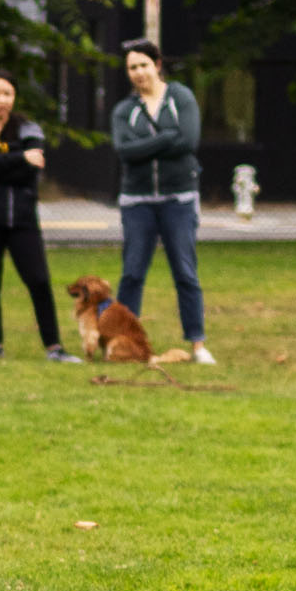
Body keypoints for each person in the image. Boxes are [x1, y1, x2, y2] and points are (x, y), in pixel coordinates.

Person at [0, 69, 80, 364]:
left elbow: (29, 169)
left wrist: (4, 162)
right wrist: (18, 158)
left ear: (14, 97)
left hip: (23, 219)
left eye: (7, 94)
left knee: (38, 280)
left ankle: (54, 347)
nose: (2, 100)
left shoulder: (29, 130)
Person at [110, 39, 216, 364]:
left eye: (143, 65)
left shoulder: (180, 97)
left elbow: (188, 141)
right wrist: (165, 138)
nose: (138, 72)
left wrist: (147, 145)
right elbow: (124, 151)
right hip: (137, 201)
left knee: (185, 271)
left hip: (178, 199)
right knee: (132, 273)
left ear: (157, 64)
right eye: (132, 67)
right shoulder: (124, 110)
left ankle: (197, 344)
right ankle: (124, 342)